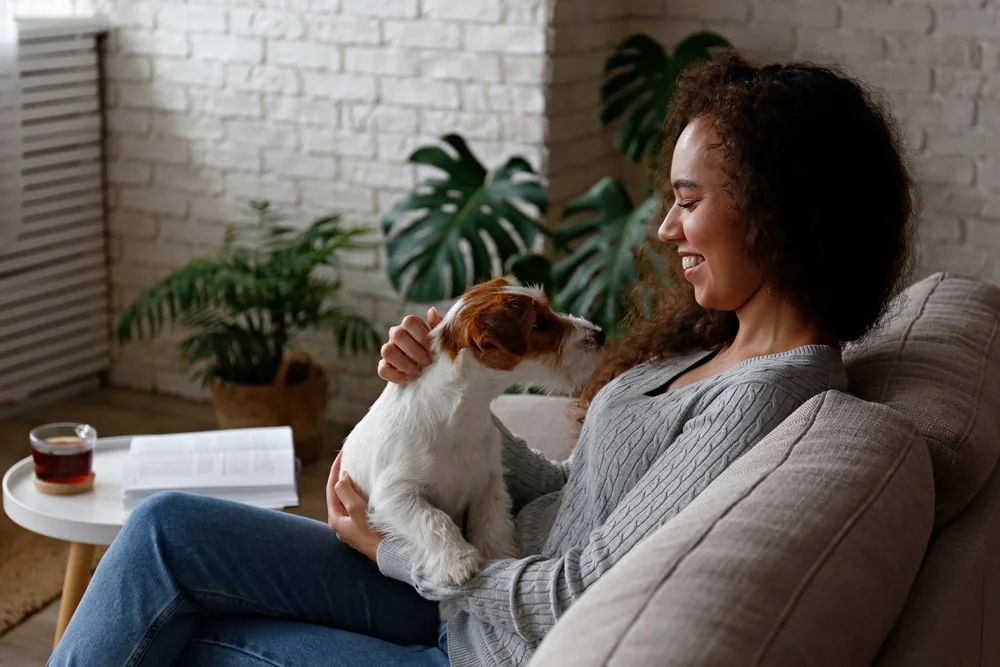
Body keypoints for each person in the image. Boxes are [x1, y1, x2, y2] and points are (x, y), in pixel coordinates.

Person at [48, 51, 914, 667]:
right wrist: (439, 392)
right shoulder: (723, 344)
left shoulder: (767, 399)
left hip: (478, 635)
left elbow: (578, 592)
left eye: (689, 202)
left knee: (177, 634)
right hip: (466, 576)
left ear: (781, 211)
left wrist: (390, 550)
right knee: (163, 531)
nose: (664, 229)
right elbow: (579, 500)